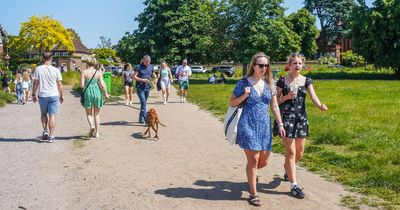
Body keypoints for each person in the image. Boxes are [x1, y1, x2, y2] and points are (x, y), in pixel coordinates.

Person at [229, 52, 285, 206]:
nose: (264, 68)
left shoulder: (270, 84)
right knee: (253, 160)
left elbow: (274, 105)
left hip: (265, 126)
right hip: (247, 124)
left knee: (263, 161)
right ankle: (253, 193)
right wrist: (244, 96)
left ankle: (251, 175)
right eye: (261, 65)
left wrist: (280, 124)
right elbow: (232, 102)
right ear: (253, 65)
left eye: (266, 65)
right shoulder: (243, 83)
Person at [275, 53, 328, 199]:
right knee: (290, 153)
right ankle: (294, 185)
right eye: (295, 63)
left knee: (300, 153)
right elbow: (274, 102)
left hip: (301, 119)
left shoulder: (306, 80)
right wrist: (285, 97)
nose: (297, 66)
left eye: (300, 63)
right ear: (289, 65)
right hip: (286, 119)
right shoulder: (282, 81)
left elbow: (313, 96)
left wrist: (320, 105)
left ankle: (287, 168)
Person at [32, 52, 64, 143]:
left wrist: (33, 94)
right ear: (51, 58)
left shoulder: (38, 69)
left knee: (43, 113)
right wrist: (62, 95)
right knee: (52, 115)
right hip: (54, 94)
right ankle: (51, 136)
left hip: (43, 95)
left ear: (43, 58)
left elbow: (36, 82)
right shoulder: (56, 70)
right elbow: (59, 84)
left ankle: (45, 130)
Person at [80, 56, 109, 138]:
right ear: (95, 63)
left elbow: (82, 86)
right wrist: (106, 93)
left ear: (87, 63)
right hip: (97, 93)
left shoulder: (84, 72)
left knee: (89, 113)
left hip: (88, 93)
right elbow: (103, 84)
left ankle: (91, 125)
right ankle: (97, 133)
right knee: (97, 114)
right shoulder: (99, 73)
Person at [132, 55, 157, 124]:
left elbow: (153, 74)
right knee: (143, 102)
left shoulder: (151, 66)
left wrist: (155, 78)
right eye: (146, 62)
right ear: (143, 60)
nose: (147, 63)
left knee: (144, 104)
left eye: (148, 62)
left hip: (147, 87)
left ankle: (141, 118)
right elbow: (134, 77)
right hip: (140, 87)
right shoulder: (138, 67)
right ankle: (146, 119)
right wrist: (142, 80)